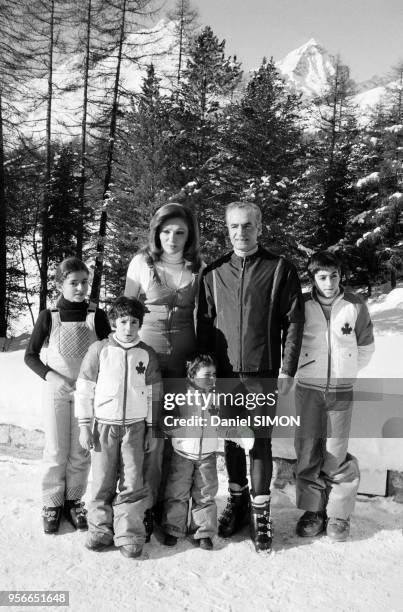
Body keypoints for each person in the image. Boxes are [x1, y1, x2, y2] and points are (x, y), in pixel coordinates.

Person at [197, 201, 304, 552]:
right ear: (226, 229)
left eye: (247, 225)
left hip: (263, 373)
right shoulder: (213, 272)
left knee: (259, 442)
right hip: (226, 374)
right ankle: (238, 501)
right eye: (233, 227)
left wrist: (287, 368)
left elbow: (294, 321)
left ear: (259, 226)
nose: (240, 233)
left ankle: (261, 512)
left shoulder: (280, 269)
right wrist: (205, 374)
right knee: (230, 440)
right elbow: (204, 325)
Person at [125, 203, 202, 539]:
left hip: (185, 361)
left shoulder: (197, 266)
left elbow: (207, 313)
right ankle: (145, 506)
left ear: (190, 236)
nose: (172, 238)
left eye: (180, 232)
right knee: (150, 436)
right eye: (166, 231)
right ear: (156, 232)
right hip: (149, 360)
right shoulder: (142, 262)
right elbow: (124, 311)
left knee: (177, 437)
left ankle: (174, 509)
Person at [24, 257, 111, 534]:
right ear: (60, 284)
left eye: (85, 282)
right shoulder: (50, 316)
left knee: (80, 450)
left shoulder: (96, 315)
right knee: (56, 449)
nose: (81, 288)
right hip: (56, 394)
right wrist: (53, 377)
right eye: (74, 283)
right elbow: (30, 356)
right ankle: (51, 502)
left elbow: (109, 353)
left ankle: (73, 500)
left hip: (88, 395)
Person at [294, 251, 374, 542]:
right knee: (307, 451)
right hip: (308, 390)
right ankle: (312, 511)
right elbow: (289, 342)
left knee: (335, 453)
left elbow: (365, 345)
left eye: (334, 276)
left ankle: (339, 513)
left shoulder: (354, 304)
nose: (329, 282)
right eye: (322, 277)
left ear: (341, 275)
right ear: (313, 278)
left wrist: (346, 370)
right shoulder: (302, 304)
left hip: (341, 391)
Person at [75, 296, 162, 558]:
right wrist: (84, 426)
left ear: (140, 324)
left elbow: (154, 394)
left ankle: (129, 533)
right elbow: (84, 390)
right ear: (114, 322)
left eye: (134, 322)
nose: (128, 327)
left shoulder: (146, 354)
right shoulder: (99, 350)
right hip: (104, 428)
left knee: (133, 481)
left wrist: (151, 429)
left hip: (135, 429)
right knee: (102, 480)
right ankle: (100, 529)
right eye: (123, 321)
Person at [162, 354, 254, 551]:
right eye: (207, 374)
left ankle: (203, 531)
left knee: (205, 494)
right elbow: (168, 421)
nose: (212, 378)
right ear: (193, 374)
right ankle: (173, 527)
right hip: (183, 454)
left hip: (207, 456)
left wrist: (237, 435)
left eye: (214, 374)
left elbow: (220, 425)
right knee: (177, 492)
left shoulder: (216, 398)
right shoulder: (181, 395)